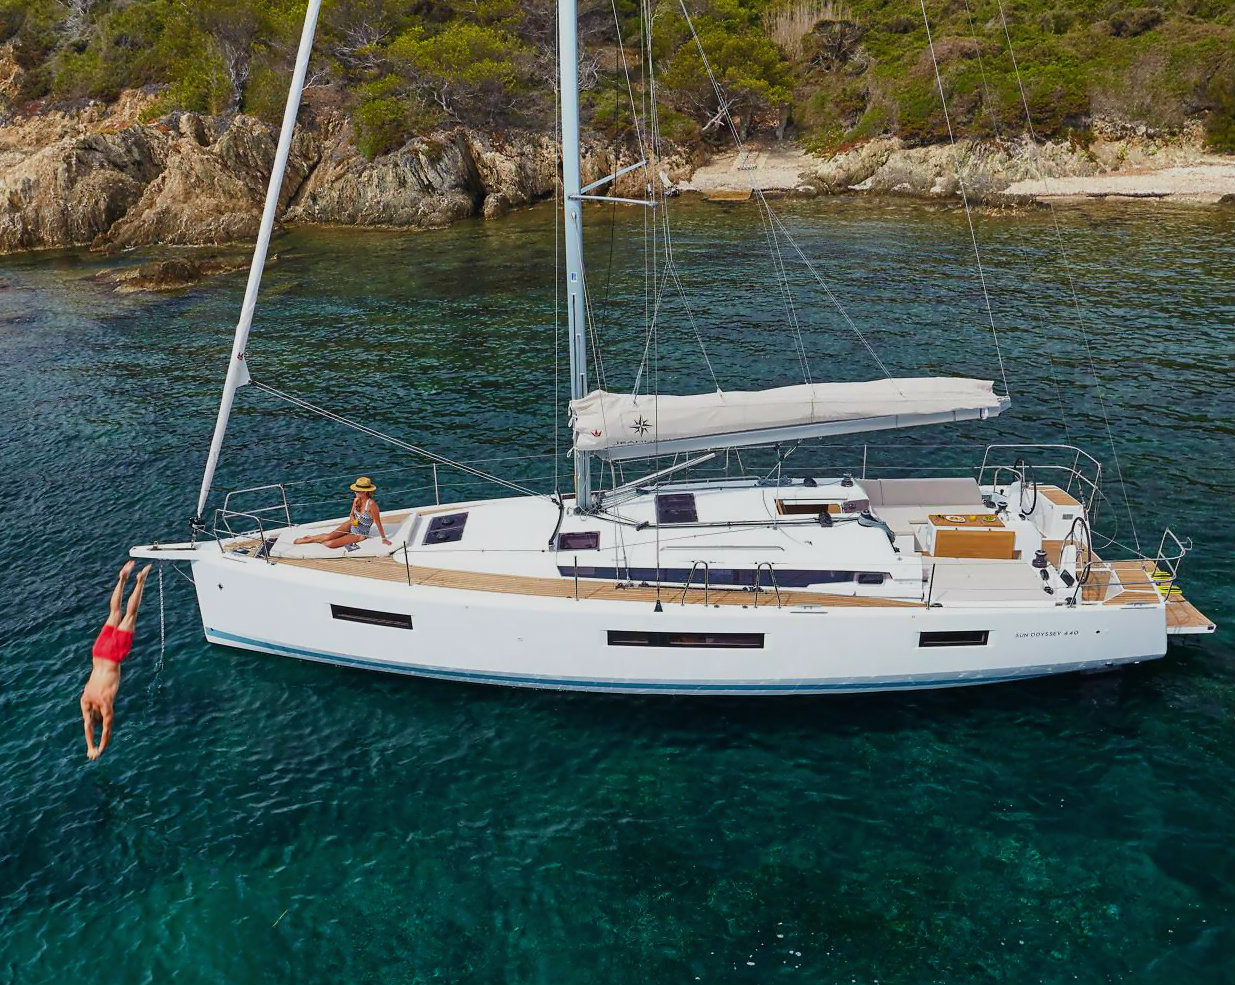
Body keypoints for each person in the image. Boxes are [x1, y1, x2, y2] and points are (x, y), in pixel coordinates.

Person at [81, 560, 151, 760]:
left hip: (113, 655)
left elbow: (106, 730)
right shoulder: (85, 699)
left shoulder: (105, 704)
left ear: (101, 715)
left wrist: (99, 749)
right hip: (98, 653)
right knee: (114, 612)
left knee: (130, 615)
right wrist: (89, 746)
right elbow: (86, 724)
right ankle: (122, 579)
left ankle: (140, 581)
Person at [294, 476, 392, 550]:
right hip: (351, 524)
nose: (355, 492)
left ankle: (317, 539)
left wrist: (384, 538)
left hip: (360, 533)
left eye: (357, 491)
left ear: (365, 492)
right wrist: (352, 520)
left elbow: (378, 523)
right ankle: (311, 538)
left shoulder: (372, 505)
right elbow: (351, 514)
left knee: (329, 544)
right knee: (328, 537)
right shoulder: (356, 500)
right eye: (355, 490)